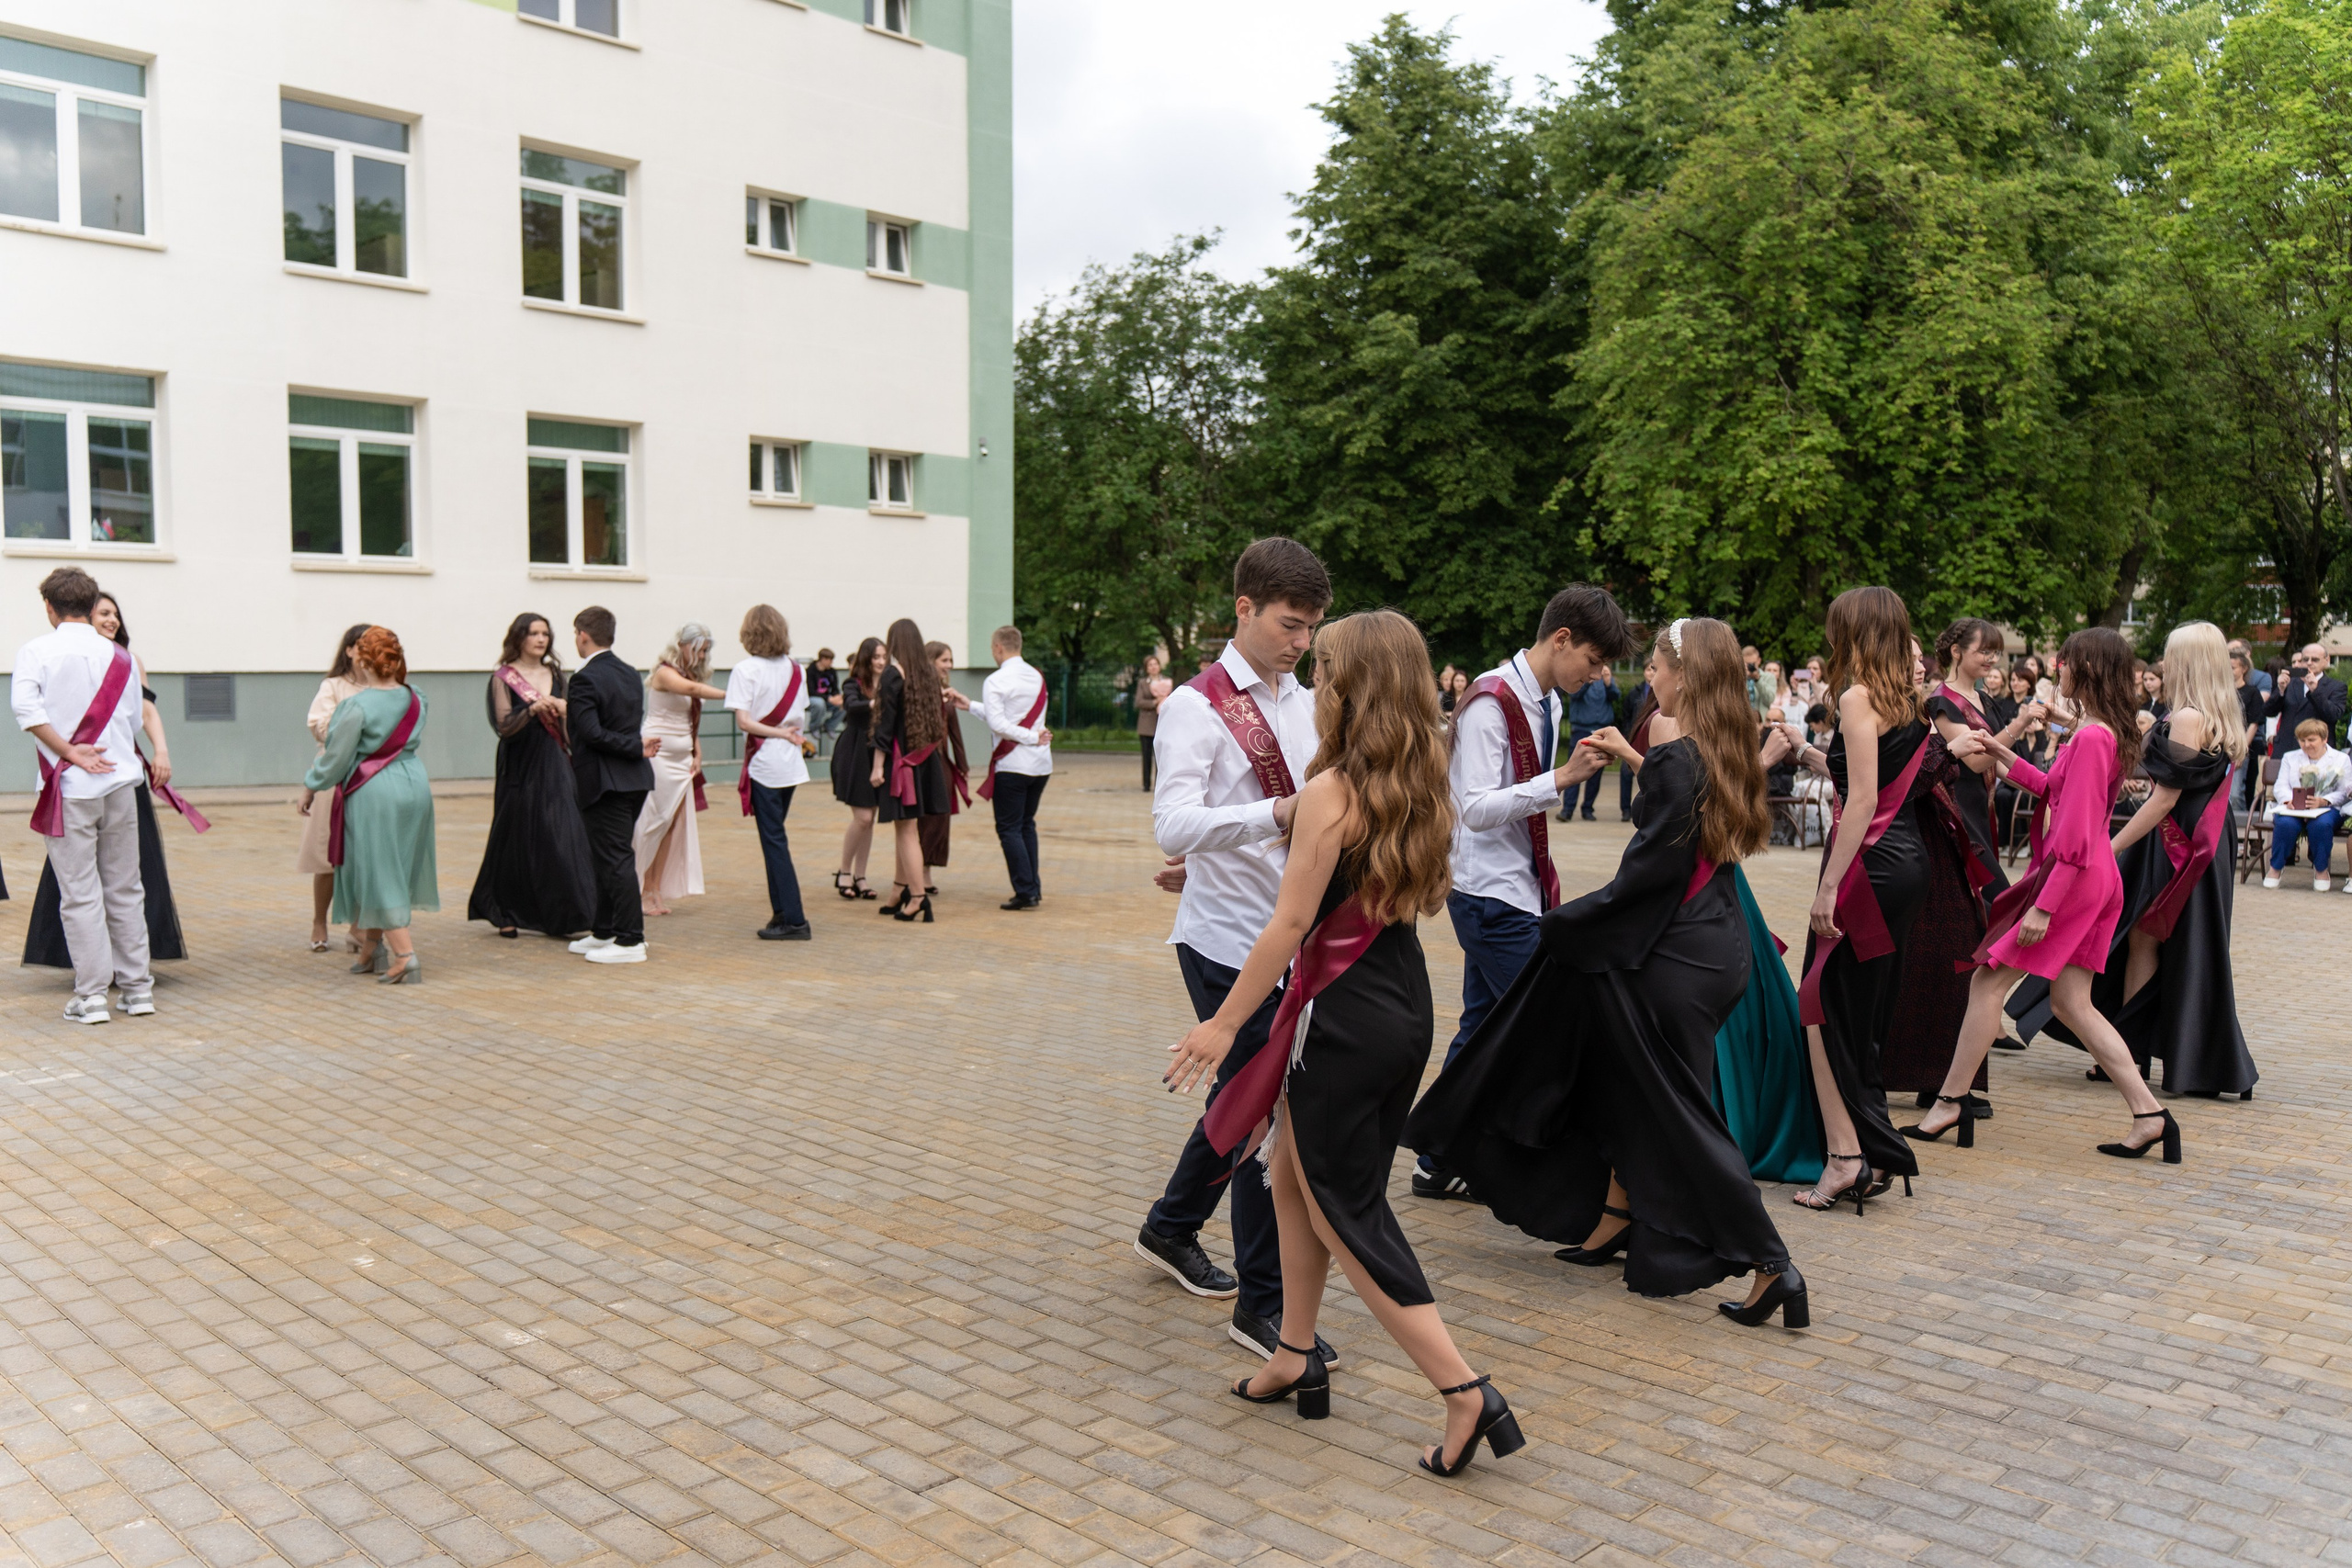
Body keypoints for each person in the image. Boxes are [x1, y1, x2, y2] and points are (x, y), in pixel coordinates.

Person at [1164, 608, 1525, 1476]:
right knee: (1289, 1176)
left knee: (1343, 1205)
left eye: (1327, 670)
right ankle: (1293, 1349)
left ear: (1351, 687)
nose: (1317, 683)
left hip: (1341, 1021)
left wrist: (1221, 1024)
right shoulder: (1415, 779)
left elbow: (1292, 922)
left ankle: (1463, 1389)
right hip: (1401, 1005)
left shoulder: (1332, 791)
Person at [1408, 616, 1804, 1328]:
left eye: (1655, 665)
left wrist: (1568, 923)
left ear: (1685, 674)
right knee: (1634, 1086)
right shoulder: (1714, 744)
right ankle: (1619, 1214)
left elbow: (1650, 873)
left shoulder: (1679, 748)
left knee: (1684, 1115)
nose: (1646, 676)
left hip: (1676, 954)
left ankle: (1772, 1261)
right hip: (1712, 944)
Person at [1136, 536, 1335, 1367]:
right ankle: (1263, 1306)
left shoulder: (1305, 697)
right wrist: (1272, 817)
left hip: (1289, 930)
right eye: (1289, 625)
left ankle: (1172, 1224)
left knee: (1253, 1099)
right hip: (1226, 940)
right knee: (1264, 1110)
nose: (1300, 642)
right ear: (1244, 608)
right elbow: (1173, 823)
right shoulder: (1196, 706)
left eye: (1312, 630)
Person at [1916, 627, 2185, 1163]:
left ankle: (1950, 1102)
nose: (2057, 668)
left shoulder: (2090, 736)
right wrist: (1999, 751)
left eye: (2065, 660)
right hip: (2092, 878)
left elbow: (2078, 834)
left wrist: (2043, 905)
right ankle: (2150, 1114)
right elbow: (2051, 790)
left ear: (2084, 669)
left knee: (1989, 982)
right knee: (2071, 1002)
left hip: (2075, 881)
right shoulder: (2100, 730)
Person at [1414, 584, 1631, 1201]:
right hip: (1488, 893)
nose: (1594, 676)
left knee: (1484, 1024)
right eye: (1591, 661)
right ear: (1560, 639)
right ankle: (1545, 1166)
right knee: (1544, 1026)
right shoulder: (1489, 700)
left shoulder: (1547, 701)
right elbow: (1473, 808)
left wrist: (1554, 778)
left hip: (1520, 887)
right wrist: (1559, 779)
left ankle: (1436, 1157)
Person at [2008, 622, 2257, 1098]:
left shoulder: (2185, 715)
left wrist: (2110, 845)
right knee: (2175, 941)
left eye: (2170, 655)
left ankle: (2131, 1054)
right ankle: (2138, 1052)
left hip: (2178, 841)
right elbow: (2135, 755)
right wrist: (2070, 725)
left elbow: (2164, 797)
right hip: (2195, 837)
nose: (2162, 663)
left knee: (2148, 935)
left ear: (2186, 661)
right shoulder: (2211, 710)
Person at [1788, 587, 1941, 1212]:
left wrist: (1827, 887)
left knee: (1820, 1003)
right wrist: (1807, 754)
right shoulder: (1906, 700)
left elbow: (1865, 800)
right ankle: (1867, 1150)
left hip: (1869, 870)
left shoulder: (1854, 697)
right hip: (1907, 867)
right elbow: (1865, 772)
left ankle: (1847, 1155)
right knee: (1863, 1012)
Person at [25, 590, 196, 973]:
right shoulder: (67, 657)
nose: (111, 620)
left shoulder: (126, 661)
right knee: (89, 885)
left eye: (115, 614)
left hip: (112, 778)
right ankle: (116, 977)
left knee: (122, 881)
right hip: (91, 780)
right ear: (86, 613)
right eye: (103, 612)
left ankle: (109, 979)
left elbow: (144, 712)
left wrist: (161, 752)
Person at [13, 568, 153, 1023]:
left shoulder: (36, 650)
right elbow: (132, 722)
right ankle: (137, 990)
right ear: (92, 608)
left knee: (79, 893)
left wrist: (69, 750)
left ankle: (92, 995)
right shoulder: (120, 658)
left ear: (49, 607)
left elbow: (26, 711)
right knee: (126, 888)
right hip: (118, 781)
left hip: (68, 786)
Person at [301, 626, 434, 985]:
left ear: (362, 660)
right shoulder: (416, 697)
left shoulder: (355, 706)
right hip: (414, 782)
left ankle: (404, 956)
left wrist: (311, 786)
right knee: (396, 863)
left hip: (374, 789)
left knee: (378, 868)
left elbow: (336, 758)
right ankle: (371, 948)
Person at [467, 612, 597, 939]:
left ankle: (566, 914)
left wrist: (571, 738)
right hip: (520, 762)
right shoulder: (504, 677)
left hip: (553, 759)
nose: (541, 640)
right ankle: (504, 910)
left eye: (545, 634)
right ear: (519, 638)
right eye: (534, 634)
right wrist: (531, 709)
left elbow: (567, 721)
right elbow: (503, 726)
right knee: (515, 833)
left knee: (562, 830)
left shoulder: (555, 673)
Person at [568, 606, 660, 964]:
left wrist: (635, 746)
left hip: (606, 781)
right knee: (607, 856)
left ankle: (630, 941)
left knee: (615, 857)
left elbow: (590, 733)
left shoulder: (585, 678)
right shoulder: (628, 673)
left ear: (582, 635)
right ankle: (604, 930)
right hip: (633, 778)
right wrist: (634, 747)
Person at [727, 604, 814, 941]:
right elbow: (799, 717)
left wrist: (776, 733)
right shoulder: (797, 670)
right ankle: (781, 913)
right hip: (790, 762)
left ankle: (794, 918)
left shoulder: (745, 670)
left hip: (765, 763)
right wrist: (785, 734)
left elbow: (745, 722)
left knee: (774, 841)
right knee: (774, 838)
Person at [867, 618, 953, 921]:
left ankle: (917, 898)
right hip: (925, 762)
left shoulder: (893, 674)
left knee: (905, 832)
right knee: (908, 831)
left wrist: (877, 765)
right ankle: (898, 890)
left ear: (894, 643)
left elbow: (884, 725)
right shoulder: (928, 674)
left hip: (901, 764)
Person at [634, 624, 722, 918]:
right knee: (653, 823)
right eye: (698, 649)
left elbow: (688, 718)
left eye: (706, 650)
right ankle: (637, 886)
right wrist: (735, 695)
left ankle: (653, 889)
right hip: (658, 757)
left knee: (671, 826)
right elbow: (693, 690)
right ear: (682, 645)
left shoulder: (690, 675)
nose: (702, 655)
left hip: (681, 759)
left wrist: (696, 750)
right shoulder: (665, 672)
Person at [297, 624, 371, 951]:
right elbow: (322, 730)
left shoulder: (388, 687)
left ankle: (359, 925)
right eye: (362, 645)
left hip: (373, 776)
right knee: (327, 855)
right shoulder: (334, 686)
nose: (368, 652)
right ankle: (319, 920)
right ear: (350, 650)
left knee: (367, 856)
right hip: (335, 776)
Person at [980, 626, 1054, 910]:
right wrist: (971, 706)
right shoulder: (1036, 676)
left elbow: (999, 724)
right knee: (1026, 825)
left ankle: (1026, 890)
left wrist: (1030, 737)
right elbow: (1006, 717)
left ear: (999, 647)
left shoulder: (996, 680)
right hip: (1040, 765)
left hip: (1012, 765)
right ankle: (1032, 887)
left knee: (1009, 828)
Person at [831, 637, 886, 899]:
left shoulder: (888, 684)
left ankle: (861, 877)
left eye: (884, 657)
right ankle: (844, 871)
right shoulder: (853, 683)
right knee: (862, 818)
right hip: (854, 752)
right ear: (866, 658)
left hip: (878, 752)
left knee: (870, 819)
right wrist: (877, 703)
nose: (881, 662)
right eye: (876, 657)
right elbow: (851, 705)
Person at [2263, 719, 2347, 888]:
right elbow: (2280, 786)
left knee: (2321, 825)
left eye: (2311, 740)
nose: (2306, 745)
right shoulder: (2290, 757)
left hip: (2326, 809)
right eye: (2302, 740)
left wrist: (2324, 801)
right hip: (2295, 808)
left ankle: (2321, 869)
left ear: (2324, 739)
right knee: (2285, 823)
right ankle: (2276, 867)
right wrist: (2289, 800)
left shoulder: (2341, 759)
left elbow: (2345, 791)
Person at [919, 640, 973, 894]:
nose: (949, 666)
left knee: (939, 819)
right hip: (921, 762)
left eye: (950, 660)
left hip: (942, 764)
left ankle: (925, 871)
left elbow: (955, 733)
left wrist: (962, 765)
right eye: (944, 660)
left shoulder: (947, 692)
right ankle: (914, 873)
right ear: (931, 661)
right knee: (921, 819)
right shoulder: (918, 692)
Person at [1557, 659, 1620, 822]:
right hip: (1582, 730)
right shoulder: (1580, 678)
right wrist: (1588, 682)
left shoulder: (1606, 679)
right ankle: (1567, 809)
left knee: (1596, 771)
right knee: (1575, 768)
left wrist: (1608, 683)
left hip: (1601, 730)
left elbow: (1616, 696)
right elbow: (1575, 696)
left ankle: (1588, 809)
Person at [2264, 643, 2346, 753]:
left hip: (2318, 751)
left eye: (2315, 659)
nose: (2309, 663)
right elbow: (2268, 711)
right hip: (2286, 748)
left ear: (2327, 660)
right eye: (2305, 659)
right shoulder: (2290, 683)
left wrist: (2315, 691)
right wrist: (2281, 690)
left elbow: (2333, 715)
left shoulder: (2336, 686)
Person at [2232, 646, 2268, 812]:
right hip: (2218, 747)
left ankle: (2239, 831)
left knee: (2235, 793)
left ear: (2244, 669)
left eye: (2232, 668)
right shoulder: (2219, 692)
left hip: (2239, 747)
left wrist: (2242, 750)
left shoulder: (2252, 692)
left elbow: (2253, 723)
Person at [1136, 653, 1170, 791]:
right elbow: (1139, 701)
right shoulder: (1143, 683)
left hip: (1162, 723)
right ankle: (1146, 784)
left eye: (1155, 664)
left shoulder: (1167, 681)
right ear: (1146, 668)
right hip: (1146, 725)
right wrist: (1155, 702)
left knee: (1161, 757)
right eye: (1150, 665)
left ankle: (1159, 784)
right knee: (1146, 755)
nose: (1153, 667)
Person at [807, 647, 842, 745]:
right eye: (830, 660)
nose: (831, 663)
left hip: (828, 698)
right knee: (819, 704)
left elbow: (835, 688)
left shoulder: (832, 671)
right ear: (823, 659)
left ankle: (830, 726)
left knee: (845, 704)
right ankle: (814, 727)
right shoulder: (810, 671)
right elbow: (810, 691)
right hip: (813, 698)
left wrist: (837, 697)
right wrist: (829, 698)